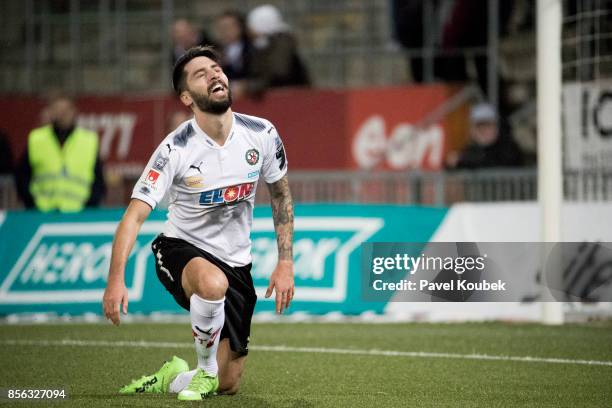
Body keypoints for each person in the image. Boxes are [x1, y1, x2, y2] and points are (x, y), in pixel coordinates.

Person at [103, 46, 295, 401]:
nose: (214, 75)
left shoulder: (262, 133)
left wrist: (285, 262)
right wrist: (116, 279)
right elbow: (134, 214)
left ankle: (175, 376)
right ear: (187, 97)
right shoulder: (175, 149)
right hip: (180, 248)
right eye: (201, 74)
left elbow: (281, 196)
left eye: (216, 68)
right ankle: (204, 370)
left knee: (229, 383)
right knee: (211, 283)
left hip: (237, 263)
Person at [15, 95, 105, 211]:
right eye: (58, 109)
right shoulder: (36, 139)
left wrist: (90, 205)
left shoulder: (89, 140)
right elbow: (22, 176)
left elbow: (98, 179)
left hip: (79, 213)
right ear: (50, 112)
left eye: (66, 110)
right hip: (41, 213)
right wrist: (31, 204)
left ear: (74, 112)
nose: (63, 114)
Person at [235, 4, 310, 98]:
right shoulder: (261, 44)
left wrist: (249, 86)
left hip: (292, 97)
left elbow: (278, 74)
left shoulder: (282, 43)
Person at [446, 102, 523, 169]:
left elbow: (493, 163)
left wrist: (463, 160)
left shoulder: (508, 148)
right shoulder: (469, 150)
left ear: (497, 126)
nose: (483, 130)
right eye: (479, 126)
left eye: (487, 125)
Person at [214, 10, 253, 81]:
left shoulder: (252, 48)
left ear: (240, 28)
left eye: (228, 27)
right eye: (221, 28)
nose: (225, 31)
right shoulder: (215, 51)